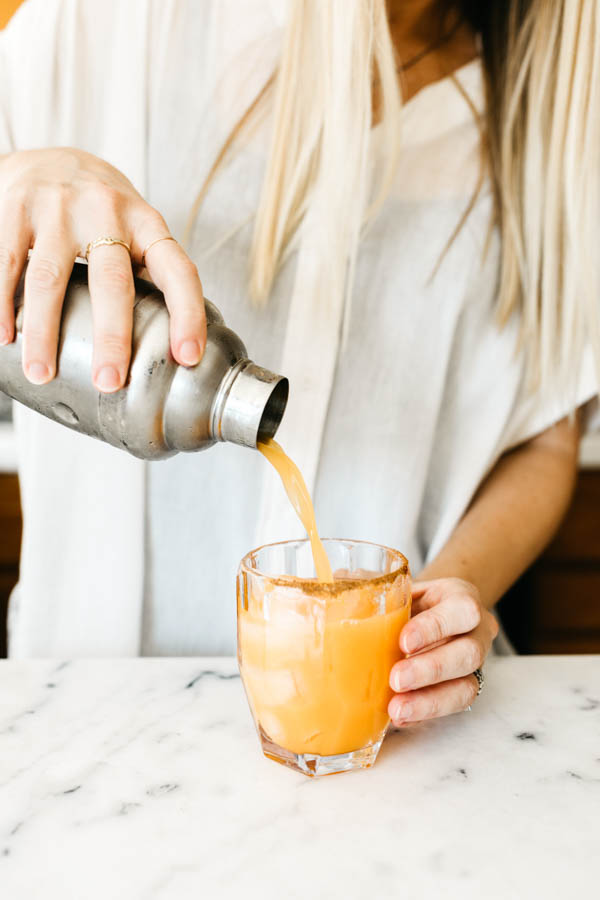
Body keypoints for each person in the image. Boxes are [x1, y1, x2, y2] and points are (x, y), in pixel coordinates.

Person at [0, 0, 597, 731]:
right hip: (94, 732)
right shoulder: (112, 25)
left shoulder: (561, 117)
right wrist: (19, 176)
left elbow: (545, 434)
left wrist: (450, 597)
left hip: (385, 734)